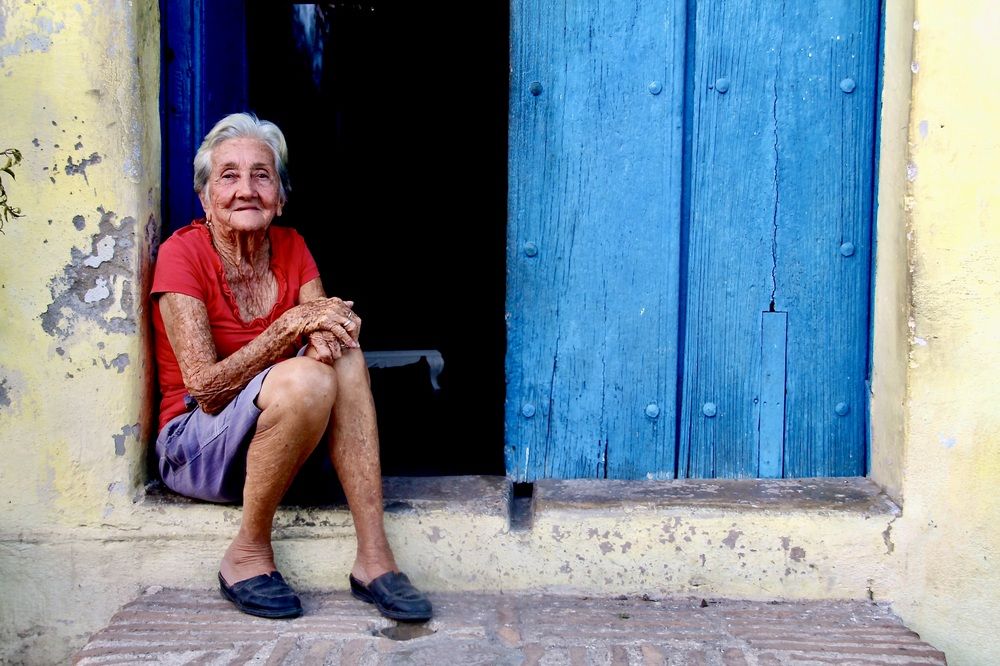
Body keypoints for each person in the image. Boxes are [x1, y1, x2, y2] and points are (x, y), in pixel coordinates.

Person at [150, 112, 432, 622]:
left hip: (279, 452)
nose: (246, 189)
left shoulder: (292, 246)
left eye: (262, 176)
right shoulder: (181, 254)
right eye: (229, 176)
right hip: (195, 449)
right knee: (304, 377)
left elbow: (324, 330)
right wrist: (290, 329)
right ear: (206, 198)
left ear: (279, 197)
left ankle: (374, 557)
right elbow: (205, 389)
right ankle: (247, 553)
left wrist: (325, 335)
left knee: (344, 355)